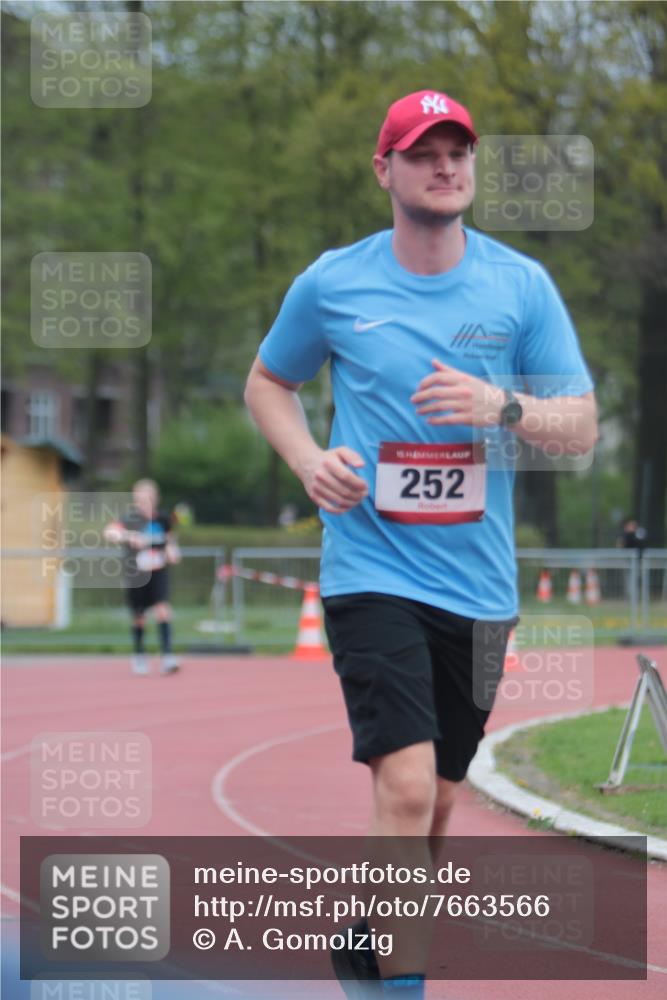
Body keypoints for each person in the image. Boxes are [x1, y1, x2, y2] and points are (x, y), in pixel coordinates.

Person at [244, 89, 598, 997]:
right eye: (422, 152)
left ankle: (367, 927)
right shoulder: (333, 283)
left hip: (479, 589)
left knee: (438, 800)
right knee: (403, 791)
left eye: (458, 151)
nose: (445, 166)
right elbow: (267, 384)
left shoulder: (519, 287)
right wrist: (308, 460)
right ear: (384, 169)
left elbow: (582, 428)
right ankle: (401, 986)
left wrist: (500, 405)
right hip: (371, 570)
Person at [104, 478, 181, 676]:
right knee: (139, 617)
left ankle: (167, 656)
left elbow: (170, 540)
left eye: (148, 497)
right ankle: (139, 656)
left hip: (158, 572)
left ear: (155, 498)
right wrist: (129, 536)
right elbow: (110, 532)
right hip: (136, 575)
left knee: (163, 610)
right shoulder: (130, 519)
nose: (143, 501)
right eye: (139, 498)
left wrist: (173, 551)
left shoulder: (163, 519)